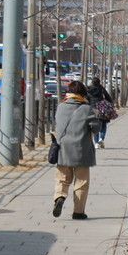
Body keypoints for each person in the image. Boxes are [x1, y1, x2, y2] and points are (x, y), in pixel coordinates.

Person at [53, 80, 101, 220]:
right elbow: (96, 128)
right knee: (81, 182)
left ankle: (59, 197)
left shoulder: (61, 107)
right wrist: (96, 116)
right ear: (82, 93)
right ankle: (78, 212)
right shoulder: (86, 109)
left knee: (62, 179)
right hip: (81, 150)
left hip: (63, 149)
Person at [86, 76, 114, 148]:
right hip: (102, 109)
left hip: (93, 110)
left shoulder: (88, 90)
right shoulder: (101, 89)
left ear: (92, 82)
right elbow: (108, 98)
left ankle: (96, 143)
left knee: (95, 126)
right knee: (103, 125)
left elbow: (86, 100)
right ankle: (101, 138)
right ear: (99, 82)